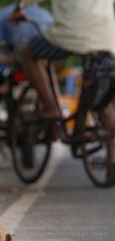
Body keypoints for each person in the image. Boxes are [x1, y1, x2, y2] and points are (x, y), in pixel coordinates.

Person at [14, 0, 115, 175]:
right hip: (105, 37)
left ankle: (50, 107)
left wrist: (19, 8)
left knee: (27, 53)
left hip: (70, 35)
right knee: (98, 93)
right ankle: (113, 155)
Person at [0, 2, 52, 134]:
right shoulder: (46, 16)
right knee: (50, 87)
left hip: (12, 65)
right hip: (37, 67)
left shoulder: (4, 15)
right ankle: (55, 129)